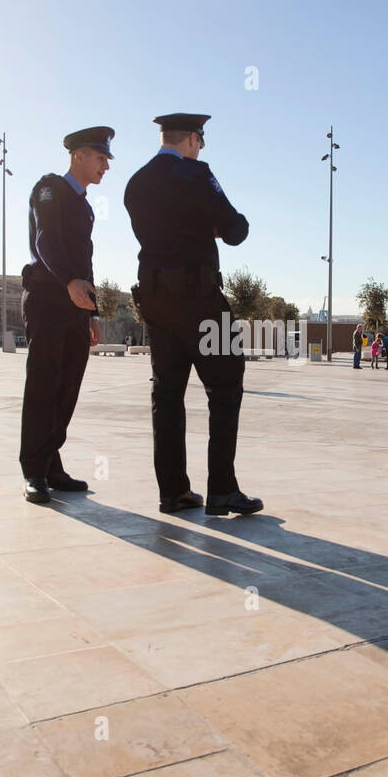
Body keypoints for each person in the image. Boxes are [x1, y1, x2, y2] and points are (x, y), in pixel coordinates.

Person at [124, 112, 262, 516]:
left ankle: (173, 492)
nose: (201, 148)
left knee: (167, 395)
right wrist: (214, 225)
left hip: (154, 299)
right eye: (201, 141)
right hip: (199, 299)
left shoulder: (137, 182)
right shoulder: (198, 176)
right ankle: (221, 489)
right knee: (225, 387)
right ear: (193, 139)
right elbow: (235, 230)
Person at [19, 126, 113, 504]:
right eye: (100, 157)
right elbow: (45, 240)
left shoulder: (85, 205)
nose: (105, 165)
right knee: (44, 384)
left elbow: (85, 259)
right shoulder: (50, 188)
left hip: (76, 305)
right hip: (47, 298)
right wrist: (69, 281)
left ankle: (51, 463)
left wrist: (92, 312)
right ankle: (34, 471)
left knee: (68, 386)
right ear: (79, 156)